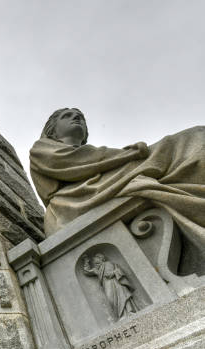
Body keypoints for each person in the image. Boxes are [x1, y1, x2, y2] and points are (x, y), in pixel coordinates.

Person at [29, 108, 205, 252]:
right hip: (77, 199)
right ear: (51, 129)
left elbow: (94, 160)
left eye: (80, 117)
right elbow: (75, 163)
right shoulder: (42, 148)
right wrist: (130, 154)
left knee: (192, 140)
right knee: (181, 144)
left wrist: (128, 156)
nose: (76, 117)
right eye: (66, 116)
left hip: (106, 181)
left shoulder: (104, 159)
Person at [82, 253, 138, 320]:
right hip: (107, 285)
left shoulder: (108, 263)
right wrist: (86, 261)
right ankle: (121, 315)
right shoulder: (97, 269)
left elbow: (117, 270)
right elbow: (87, 272)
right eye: (94, 260)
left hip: (115, 282)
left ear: (101, 258)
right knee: (111, 299)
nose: (94, 261)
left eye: (95, 258)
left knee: (122, 296)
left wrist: (112, 273)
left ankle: (129, 311)